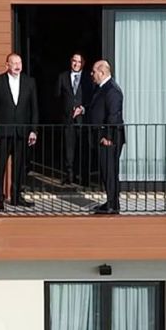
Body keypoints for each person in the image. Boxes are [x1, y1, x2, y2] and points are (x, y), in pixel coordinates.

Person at [0, 52, 38, 210]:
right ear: (7, 65)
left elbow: (34, 109)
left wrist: (33, 130)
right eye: (14, 63)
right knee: (0, 166)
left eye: (19, 63)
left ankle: (16, 197)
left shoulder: (29, 82)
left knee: (19, 166)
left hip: (22, 132)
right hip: (3, 131)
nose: (17, 66)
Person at [85, 59, 124, 214]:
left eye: (94, 71)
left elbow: (113, 115)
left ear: (101, 72)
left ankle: (112, 205)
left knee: (110, 172)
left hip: (109, 139)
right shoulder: (102, 88)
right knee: (107, 171)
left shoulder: (112, 90)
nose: (92, 74)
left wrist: (108, 137)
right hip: (103, 136)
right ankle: (111, 202)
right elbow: (97, 107)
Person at [57, 53, 91, 186]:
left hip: (83, 119)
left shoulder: (88, 77)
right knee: (68, 149)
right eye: (74, 61)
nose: (76, 64)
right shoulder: (63, 77)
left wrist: (82, 108)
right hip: (68, 119)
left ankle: (84, 178)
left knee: (83, 149)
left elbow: (93, 98)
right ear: (71, 61)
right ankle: (69, 176)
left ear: (83, 63)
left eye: (79, 62)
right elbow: (57, 97)